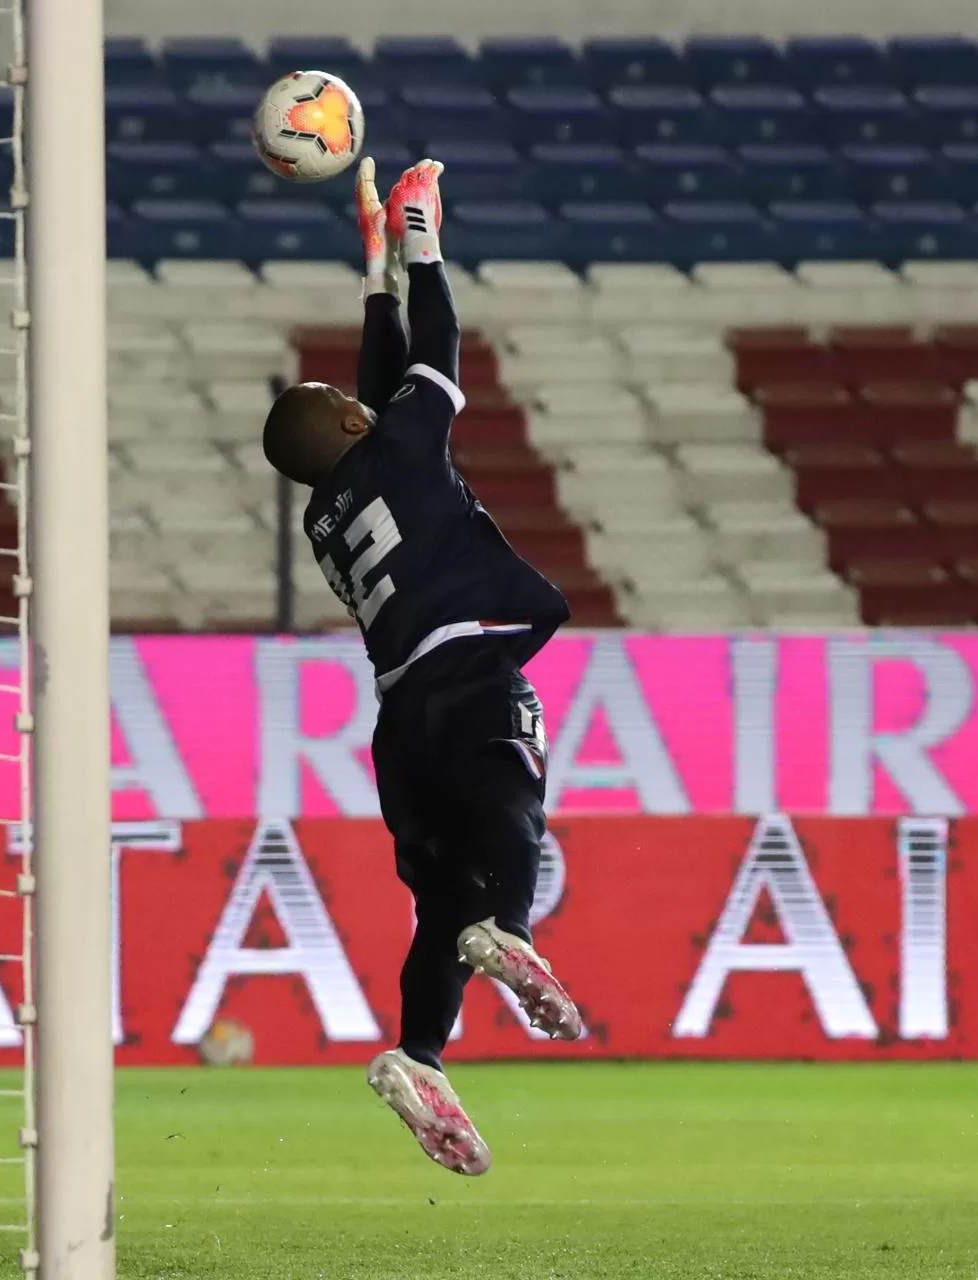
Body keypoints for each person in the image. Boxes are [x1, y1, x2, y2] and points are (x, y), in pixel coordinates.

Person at [260, 157, 583, 1177]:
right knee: (515, 808)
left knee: (441, 902)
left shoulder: (328, 507)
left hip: (401, 719)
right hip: (467, 669)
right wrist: (420, 236)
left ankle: (420, 1054)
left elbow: (375, 395)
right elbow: (434, 358)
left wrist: (373, 271)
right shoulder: (395, 449)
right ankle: (514, 930)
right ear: (361, 425)